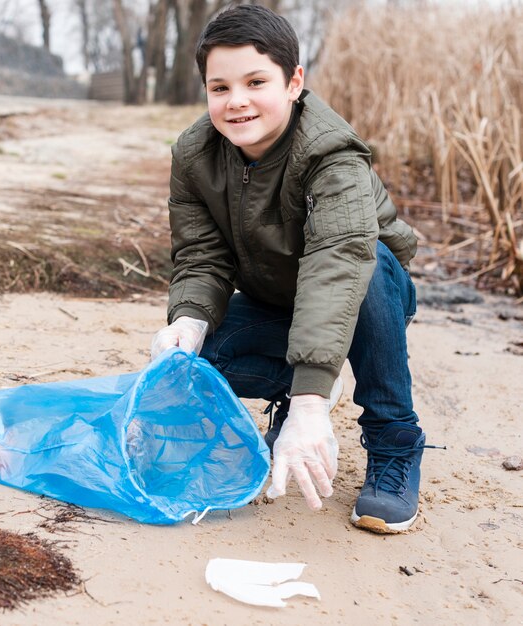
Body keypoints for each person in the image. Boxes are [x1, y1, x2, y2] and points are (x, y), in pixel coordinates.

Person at [151, 4, 432, 534]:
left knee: (367, 266)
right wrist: (188, 319)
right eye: (220, 88)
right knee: (195, 359)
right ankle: (303, 390)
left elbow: (338, 263)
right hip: (275, 300)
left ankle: (394, 440)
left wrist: (310, 404)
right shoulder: (194, 154)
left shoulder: (332, 154)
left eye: (256, 81)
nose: (237, 102)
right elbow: (201, 256)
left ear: (293, 81)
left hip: (368, 294)